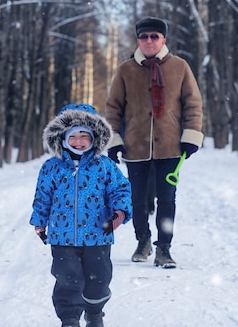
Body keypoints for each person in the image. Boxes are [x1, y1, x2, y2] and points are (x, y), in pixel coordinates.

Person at [105, 17, 203, 269]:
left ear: (164, 40)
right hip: (135, 147)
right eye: (144, 36)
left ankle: (164, 247)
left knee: (167, 199)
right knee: (137, 199)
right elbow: (113, 107)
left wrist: (191, 136)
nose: (149, 40)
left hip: (170, 147)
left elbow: (193, 104)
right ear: (138, 40)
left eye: (154, 36)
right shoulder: (126, 70)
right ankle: (143, 240)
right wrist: (114, 139)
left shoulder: (180, 67)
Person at [30, 103, 132, 327]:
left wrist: (120, 213)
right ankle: (69, 319)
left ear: (95, 137)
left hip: (98, 234)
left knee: (99, 280)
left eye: (84, 135)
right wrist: (39, 222)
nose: (78, 141)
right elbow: (43, 196)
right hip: (62, 236)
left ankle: (95, 314)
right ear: (62, 138)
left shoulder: (105, 166)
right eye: (73, 135)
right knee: (67, 279)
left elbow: (120, 189)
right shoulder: (51, 167)